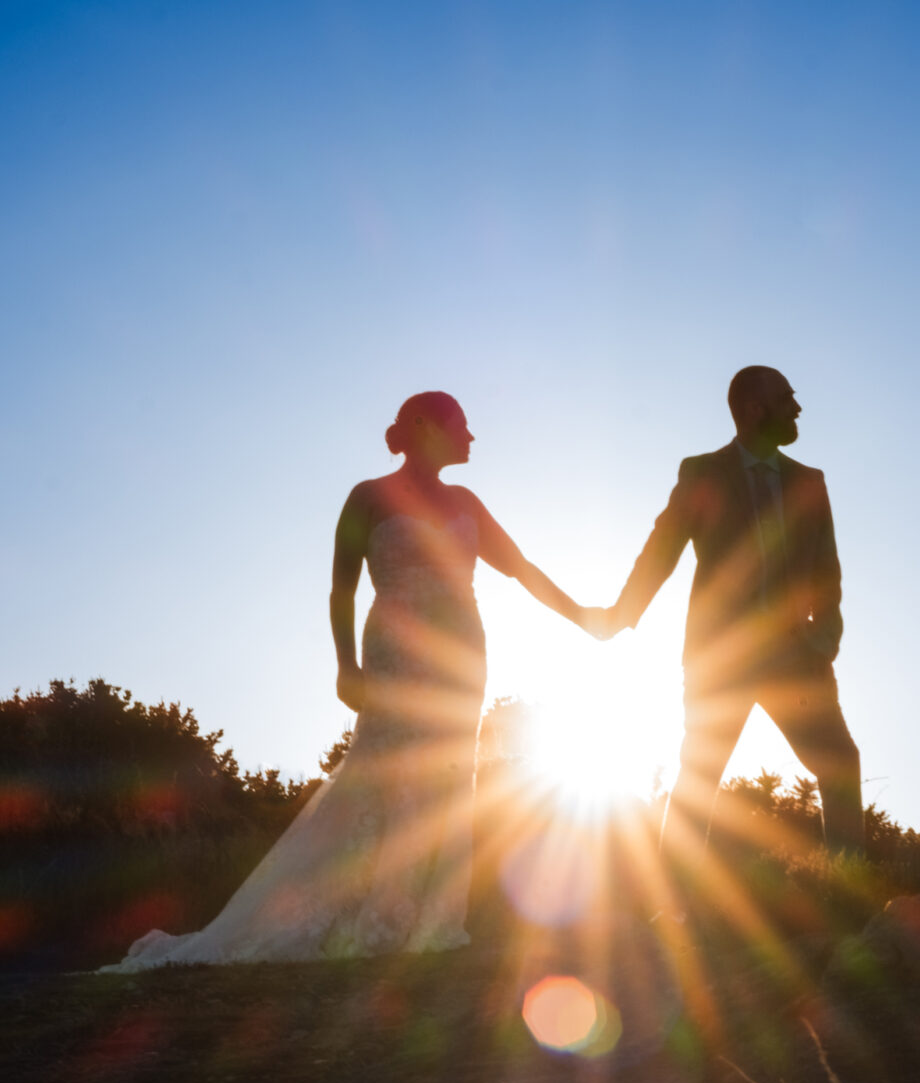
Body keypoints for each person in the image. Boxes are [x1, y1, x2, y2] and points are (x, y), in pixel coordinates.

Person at [106, 391, 599, 969]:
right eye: (462, 425)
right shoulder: (367, 497)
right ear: (423, 427)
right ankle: (358, 910)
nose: (471, 437)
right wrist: (345, 664)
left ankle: (426, 917)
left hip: (463, 655)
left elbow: (519, 569)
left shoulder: (466, 500)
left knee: (445, 779)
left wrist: (585, 617)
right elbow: (342, 588)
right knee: (384, 774)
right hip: (395, 650)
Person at [602, 365, 864, 862]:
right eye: (788, 398)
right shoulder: (702, 472)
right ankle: (671, 908)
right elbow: (662, 550)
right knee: (700, 775)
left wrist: (824, 639)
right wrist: (621, 614)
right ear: (755, 409)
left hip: (797, 658)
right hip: (721, 657)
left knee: (839, 764)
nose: (799, 408)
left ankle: (848, 893)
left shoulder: (811, 481)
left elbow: (826, 571)